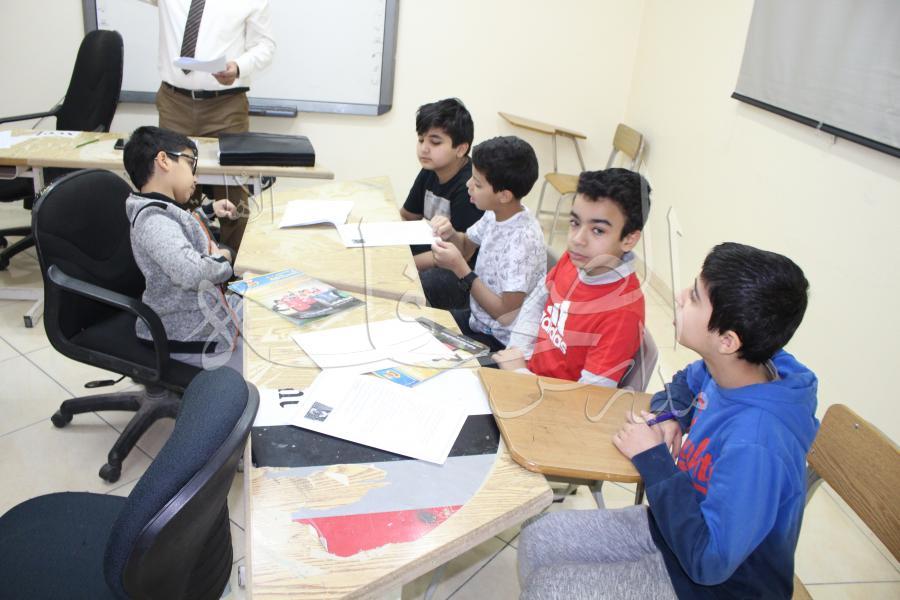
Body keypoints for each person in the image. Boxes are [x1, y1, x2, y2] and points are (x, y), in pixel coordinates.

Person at [517, 242, 818, 600]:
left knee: (550, 590)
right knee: (538, 538)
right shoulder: (735, 367)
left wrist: (654, 460)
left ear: (727, 340)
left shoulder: (757, 444)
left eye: (695, 297)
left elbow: (709, 561)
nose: (679, 296)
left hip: (718, 584)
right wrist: (671, 416)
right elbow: (684, 383)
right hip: (677, 526)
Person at [141, 0, 276, 254]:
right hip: (174, 103)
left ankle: (233, 268)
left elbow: (265, 46)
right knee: (174, 193)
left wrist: (238, 67)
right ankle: (180, 262)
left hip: (226, 107)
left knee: (234, 198)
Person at [494, 168, 650, 386]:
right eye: (575, 223)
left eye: (598, 230)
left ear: (629, 239)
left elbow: (588, 397)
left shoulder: (622, 314)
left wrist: (519, 373)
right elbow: (536, 302)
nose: (577, 239)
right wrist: (519, 354)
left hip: (552, 400)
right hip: (525, 376)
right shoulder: (576, 259)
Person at [123, 126, 242, 370]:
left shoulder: (160, 209)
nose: (195, 178)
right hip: (187, 335)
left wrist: (207, 211)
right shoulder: (154, 221)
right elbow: (190, 273)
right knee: (261, 368)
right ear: (164, 160)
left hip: (201, 311)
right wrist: (223, 259)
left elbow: (180, 228)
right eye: (190, 164)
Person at [429, 136, 546, 352]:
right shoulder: (496, 213)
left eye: (477, 184)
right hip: (478, 321)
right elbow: (466, 246)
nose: (468, 185)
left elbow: (505, 315)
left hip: (502, 342)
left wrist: (461, 269)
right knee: (421, 327)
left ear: (504, 195)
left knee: (429, 349)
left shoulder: (522, 241)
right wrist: (450, 233)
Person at [399, 98, 483, 309]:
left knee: (415, 284)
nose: (424, 149)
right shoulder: (429, 170)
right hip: (434, 250)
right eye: (421, 140)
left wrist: (405, 263)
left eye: (435, 143)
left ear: (461, 149)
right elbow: (407, 216)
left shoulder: (469, 187)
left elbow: (463, 253)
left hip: (461, 269)